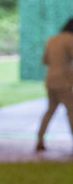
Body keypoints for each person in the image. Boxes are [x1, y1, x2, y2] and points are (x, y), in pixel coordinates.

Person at [35, 17, 73, 152]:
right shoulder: (70, 39)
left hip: (50, 80)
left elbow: (45, 60)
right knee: (71, 111)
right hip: (64, 81)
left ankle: (39, 139)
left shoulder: (52, 39)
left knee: (50, 110)